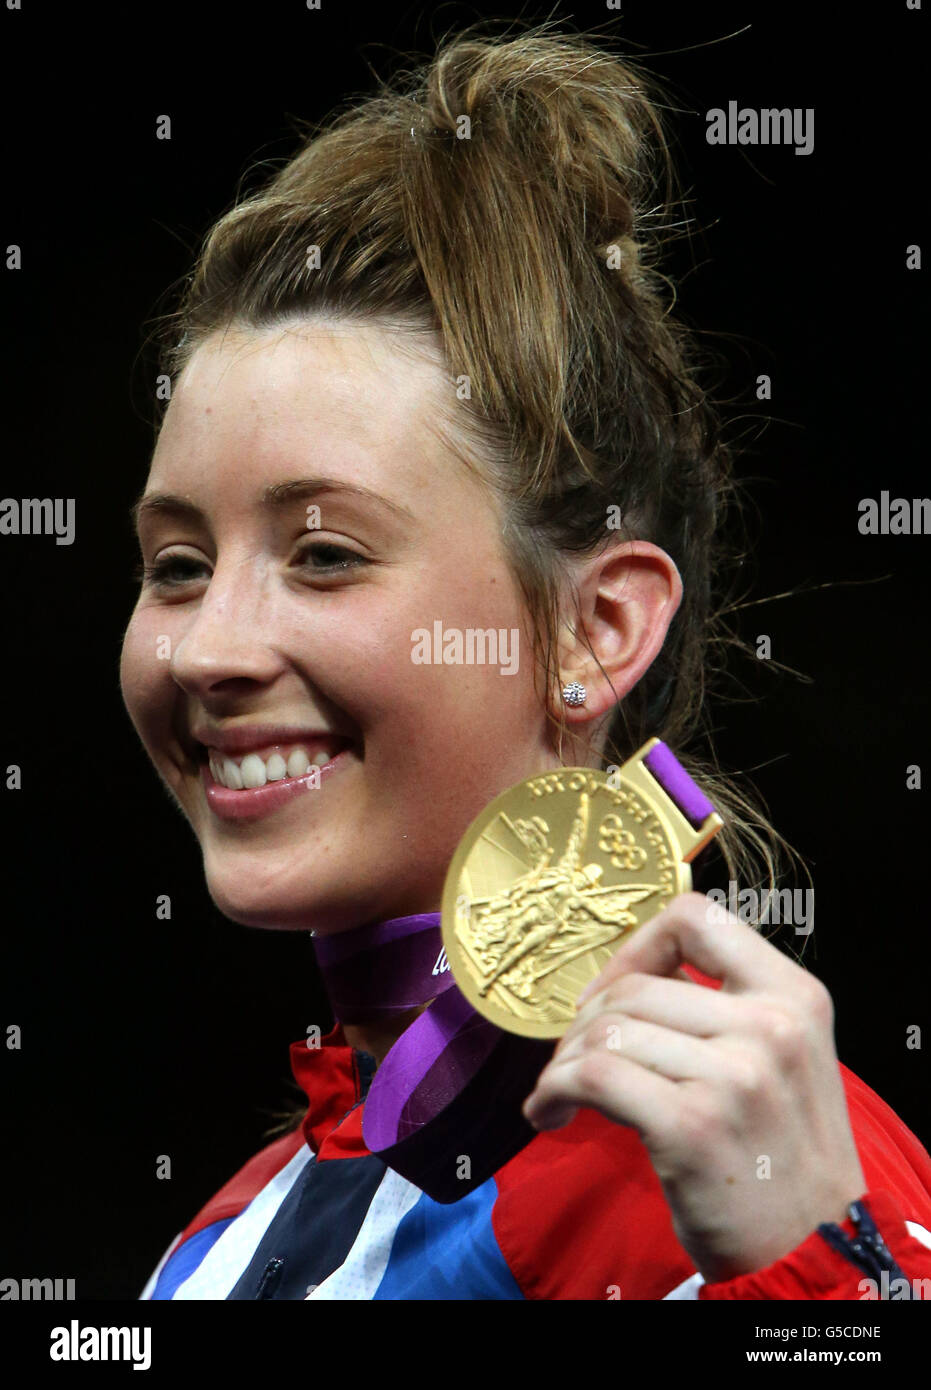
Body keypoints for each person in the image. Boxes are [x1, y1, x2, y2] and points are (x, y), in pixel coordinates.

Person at [120, 23, 931, 1300]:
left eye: (324, 554)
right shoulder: (220, 1239)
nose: (206, 647)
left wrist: (817, 1277)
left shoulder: (754, 1186)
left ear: (596, 631)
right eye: (174, 564)